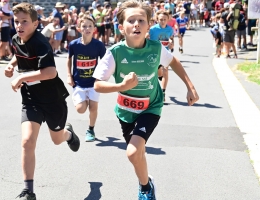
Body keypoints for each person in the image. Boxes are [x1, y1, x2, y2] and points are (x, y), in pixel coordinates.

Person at [92, 1, 199, 199]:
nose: (136, 24)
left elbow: (173, 62)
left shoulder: (155, 49)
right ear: (121, 27)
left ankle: (145, 188)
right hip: (126, 111)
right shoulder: (115, 52)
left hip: (151, 106)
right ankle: (146, 183)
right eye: (131, 20)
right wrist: (121, 87)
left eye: (141, 20)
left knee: (133, 152)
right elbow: (98, 84)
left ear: (148, 26)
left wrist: (190, 87)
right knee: (138, 154)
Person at [4, 3, 80, 199]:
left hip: (53, 100)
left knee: (57, 140)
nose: (19, 25)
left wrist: (21, 77)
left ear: (36, 23)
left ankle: (68, 134)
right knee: (27, 141)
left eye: (24, 22)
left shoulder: (41, 43)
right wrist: (11, 66)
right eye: (16, 21)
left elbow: (50, 72)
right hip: (31, 99)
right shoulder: (15, 38)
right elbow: (18, 54)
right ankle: (28, 191)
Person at [67, 15, 106, 142]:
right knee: (81, 109)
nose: (87, 28)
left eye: (90, 26)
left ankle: (91, 129)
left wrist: (101, 78)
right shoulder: (74, 44)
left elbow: (105, 62)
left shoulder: (98, 45)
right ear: (79, 28)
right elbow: (69, 60)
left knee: (93, 107)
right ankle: (83, 100)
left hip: (94, 83)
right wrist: (69, 75)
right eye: (84, 26)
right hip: (79, 83)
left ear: (94, 28)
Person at [146, 9, 174, 103]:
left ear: (167, 19)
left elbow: (171, 39)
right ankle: (159, 77)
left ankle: (163, 92)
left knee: (165, 72)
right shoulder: (153, 29)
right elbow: (146, 39)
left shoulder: (170, 29)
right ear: (157, 19)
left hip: (165, 53)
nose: (162, 21)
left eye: (164, 19)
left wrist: (171, 43)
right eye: (161, 19)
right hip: (154, 54)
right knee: (158, 73)